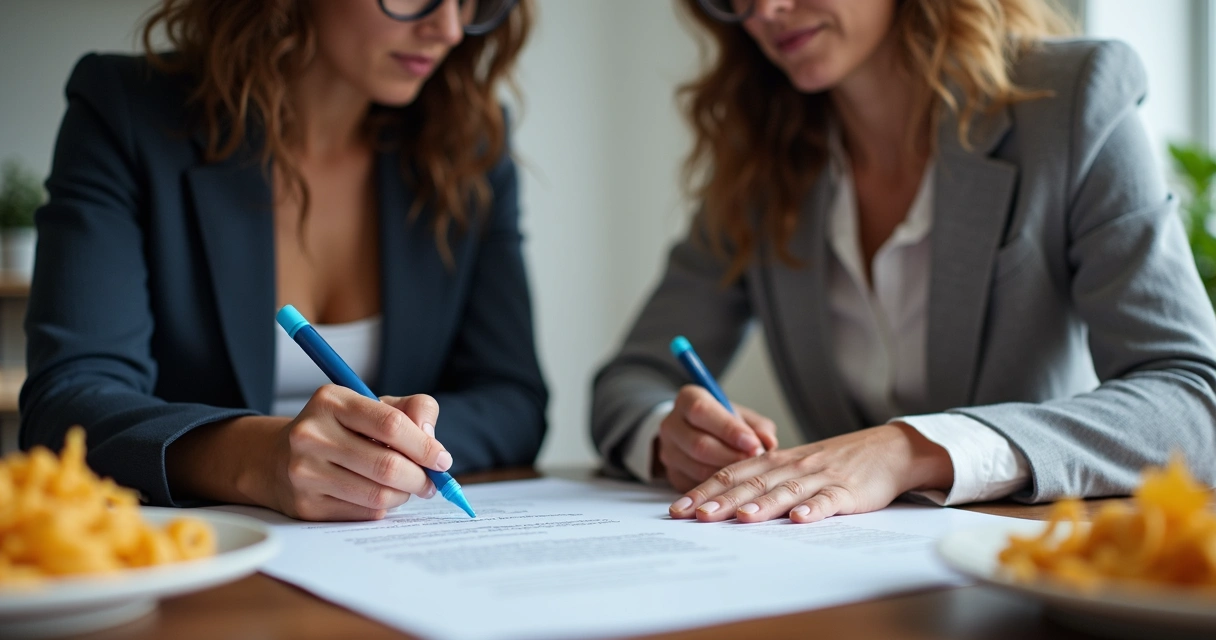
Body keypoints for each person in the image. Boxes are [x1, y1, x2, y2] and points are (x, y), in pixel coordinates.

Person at [592, 0, 1216, 524]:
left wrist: (911, 450)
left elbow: (1192, 399)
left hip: (1030, 563)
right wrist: (669, 435)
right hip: (844, 580)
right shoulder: (760, 160)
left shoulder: (1071, 100)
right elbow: (629, 381)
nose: (765, 11)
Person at [21, 0, 547, 521]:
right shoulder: (127, 112)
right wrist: (256, 457)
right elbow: (69, 401)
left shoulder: (468, 146)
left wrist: (389, 447)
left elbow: (512, 398)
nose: (449, 28)